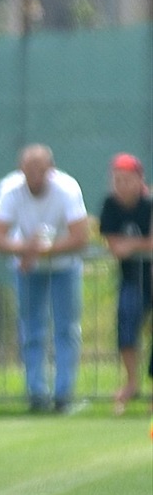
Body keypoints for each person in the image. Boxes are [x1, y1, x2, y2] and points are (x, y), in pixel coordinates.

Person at [0, 144, 89, 413]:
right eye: (28, 170)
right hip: (27, 270)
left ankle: (63, 396)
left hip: (64, 267)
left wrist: (42, 250)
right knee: (31, 330)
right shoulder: (8, 189)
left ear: (50, 169)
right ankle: (36, 395)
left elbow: (80, 237)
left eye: (40, 170)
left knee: (66, 330)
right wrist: (26, 249)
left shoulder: (67, 188)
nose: (34, 176)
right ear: (20, 170)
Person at [98, 153, 152, 415]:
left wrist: (131, 245)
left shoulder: (149, 203)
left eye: (127, 179)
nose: (121, 185)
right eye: (117, 180)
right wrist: (137, 246)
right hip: (131, 278)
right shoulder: (110, 205)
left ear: (140, 179)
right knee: (126, 326)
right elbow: (113, 244)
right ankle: (132, 383)